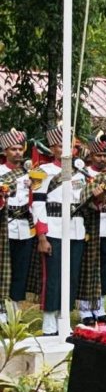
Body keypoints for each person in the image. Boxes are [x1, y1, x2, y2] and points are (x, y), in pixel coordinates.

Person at [30, 126, 90, 335]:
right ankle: (48, 318)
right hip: (54, 228)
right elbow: (37, 205)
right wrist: (42, 235)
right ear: (53, 149)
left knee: (72, 275)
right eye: (61, 146)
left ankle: (64, 316)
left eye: (71, 146)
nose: (67, 150)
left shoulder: (82, 172)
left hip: (75, 228)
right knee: (53, 275)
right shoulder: (43, 172)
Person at [80, 132, 106, 324]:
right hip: (90, 225)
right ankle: (85, 309)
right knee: (88, 267)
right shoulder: (84, 174)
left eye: (105, 155)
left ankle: (100, 306)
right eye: (99, 155)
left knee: (105, 267)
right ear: (91, 155)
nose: (102, 159)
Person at [0, 129, 34, 321]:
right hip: (5, 226)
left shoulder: (30, 173)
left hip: (24, 227)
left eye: (20, 149)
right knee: (4, 268)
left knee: (21, 269)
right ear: (5, 151)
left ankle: (14, 309)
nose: (18, 153)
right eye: (13, 149)